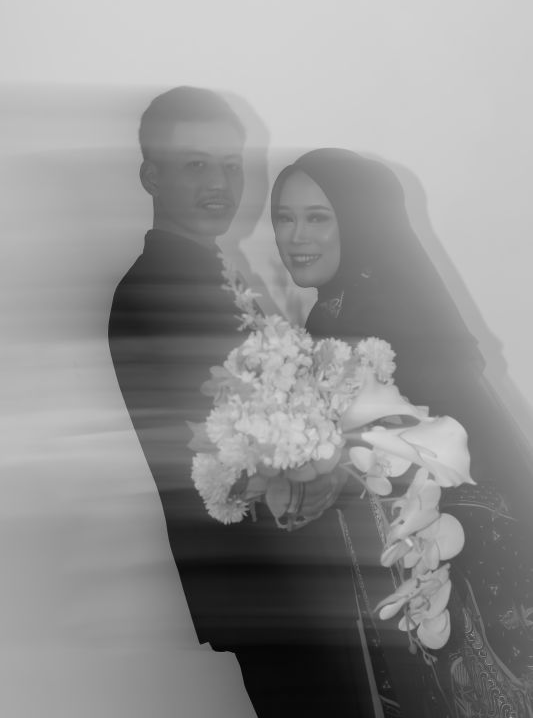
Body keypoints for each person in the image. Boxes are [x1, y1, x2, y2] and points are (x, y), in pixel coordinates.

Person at [108, 95, 367, 717]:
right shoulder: (158, 290)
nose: (220, 184)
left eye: (230, 165)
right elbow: (221, 452)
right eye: (196, 165)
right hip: (274, 581)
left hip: (283, 577)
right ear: (151, 176)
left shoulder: (208, 273)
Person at [271, 148, 533, 717]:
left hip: (454, 554)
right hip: (412, 556)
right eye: (284, 218)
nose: (295, 236)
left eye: (318, 217)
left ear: (359, 221)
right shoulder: (336, 313)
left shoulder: (372, 314)